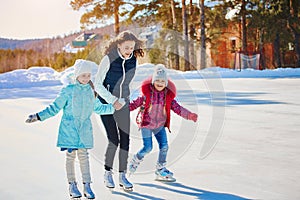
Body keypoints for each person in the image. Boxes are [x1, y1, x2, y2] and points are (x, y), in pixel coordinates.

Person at [25, 59, 115, 199]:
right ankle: (72, 185)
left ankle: (87, 185)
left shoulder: (91, 92)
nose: (86, 78)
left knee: (84, 158)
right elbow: (54, 108)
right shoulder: (68, 91)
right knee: (71, 157)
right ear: (77, 75)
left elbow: (98, 108)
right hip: (69, 131)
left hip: (84, 131)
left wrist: (114, 108)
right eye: (83, 75)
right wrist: (38, 116)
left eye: (88, 75)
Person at [128, 64, 198, 181]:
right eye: (157, 80)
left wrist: (189, 115)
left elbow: (178, 108)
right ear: (153, 81)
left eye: (162, 81)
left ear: (166, 83)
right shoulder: (146, 95)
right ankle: (136, 160)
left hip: (159, 125)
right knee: (148, 148)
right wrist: (122, 109)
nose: (160, 83)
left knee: (164, 146)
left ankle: (160, 169)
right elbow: (134, 104)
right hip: (147, 124)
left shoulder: (168, 96)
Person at [94, 30, 144, 190]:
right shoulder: (108, 59)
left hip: (123, 103)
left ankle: (122, 175)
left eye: (132, 47)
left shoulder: (133, 60)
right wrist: (112, 100)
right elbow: (97, 84)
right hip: (107, 103)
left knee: (125, 138)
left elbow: (127, 82)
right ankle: (108, 173)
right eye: (127, 47)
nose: (129, 50)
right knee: (113, 139)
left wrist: (125, 99)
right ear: (119, 45)